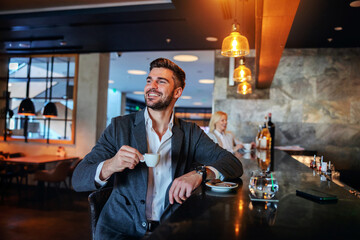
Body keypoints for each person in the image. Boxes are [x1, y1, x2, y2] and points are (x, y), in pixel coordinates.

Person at [72, 58, 243, 239]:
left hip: (171, 229)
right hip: (118, 231)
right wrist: (111, 165)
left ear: (177, 92)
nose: (151, 86)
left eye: (161, 81)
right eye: (149, 80)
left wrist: (200, 174)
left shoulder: (191, 133)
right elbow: (78, 178)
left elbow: (233, 164)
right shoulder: (119, 127)